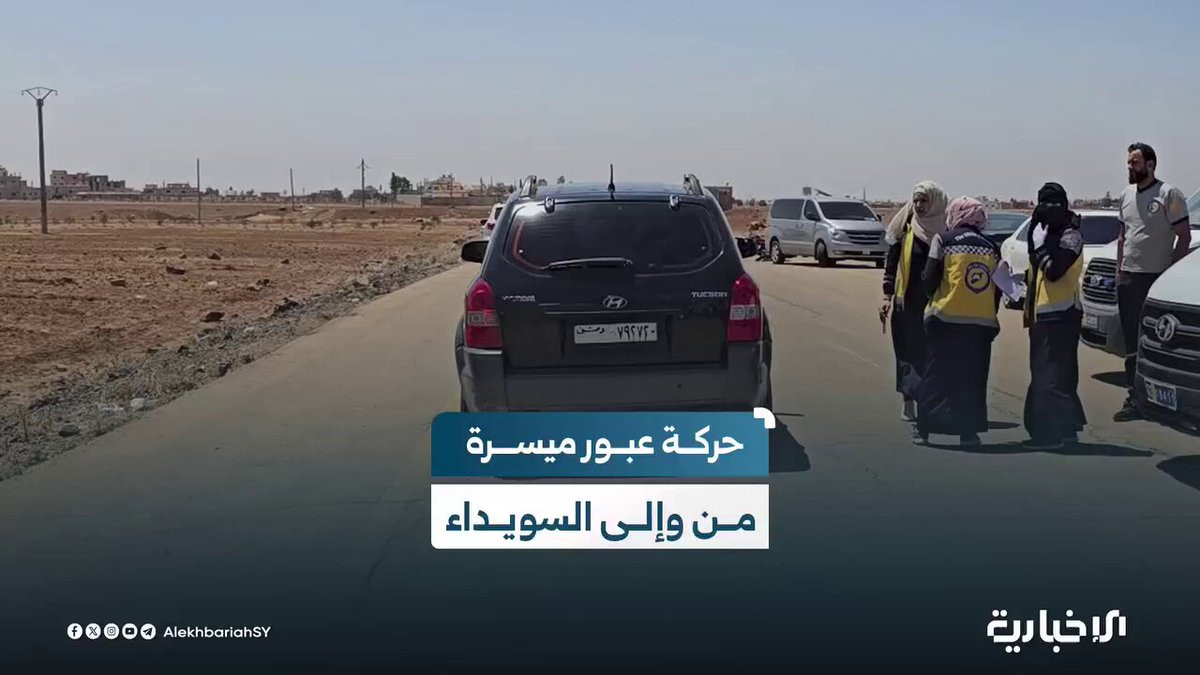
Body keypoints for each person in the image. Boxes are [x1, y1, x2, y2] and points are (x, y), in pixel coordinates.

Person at [1113, 142, 1192, 421]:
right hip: (1129, 278)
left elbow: (1184, 236)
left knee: (1158, 341)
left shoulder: (1169, 194)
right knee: (1132, 342)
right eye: (1128, 162)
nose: (1130, 166)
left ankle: (1164, 399)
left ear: (1150, 164)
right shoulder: (1125, 195)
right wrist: (1119, 271)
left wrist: (1170, 274)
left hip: (1155, 280)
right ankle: (1134, 399)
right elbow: (1122, 237)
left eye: (1134, 162)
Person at [914, 196, 1000, 446]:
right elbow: (998, 288)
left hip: (945, 319)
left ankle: (924, 430)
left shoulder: (943, 240)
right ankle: (968, 434)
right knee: (971, 379)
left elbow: (929, 279)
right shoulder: (991, 246)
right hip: (981, 325)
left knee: (936, 375)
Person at [1022, 182, 1087, 449]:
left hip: (1062, 314)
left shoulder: (1071, 235)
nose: (1044, 210)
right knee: (1045, 376)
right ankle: (1051, 431)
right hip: (1043, 315)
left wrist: (1040, 248)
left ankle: (1059, 434)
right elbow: (1035, 265)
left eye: (1049, 205)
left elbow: (1054, 271)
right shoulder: (1046, 232)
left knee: (1055, 377)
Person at [882, 181, 948, 422]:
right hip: (906, 303)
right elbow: (892, 262)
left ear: (936, 202)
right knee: (906, 353)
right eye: (916, 200)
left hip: (936, 305)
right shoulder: (906, 227)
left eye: (924, 201)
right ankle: (908, 401)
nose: (919, 205)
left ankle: (929, 402)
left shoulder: (946, 230)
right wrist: (887, 296)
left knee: (930, 355)